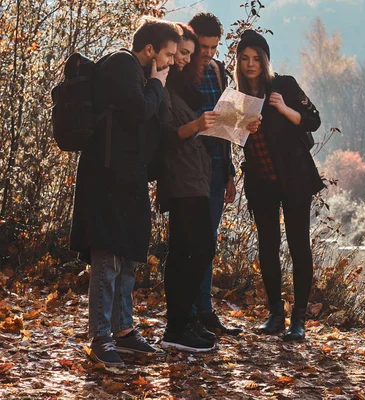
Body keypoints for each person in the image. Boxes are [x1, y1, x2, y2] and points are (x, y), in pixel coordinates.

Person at [69, 17, 181, 367]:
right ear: (149, 50)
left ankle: (123, 331)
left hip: (128, 178)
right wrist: (158, 84)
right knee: (108, 256)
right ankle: (101, 336)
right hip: (106, 179)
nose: (170, 63)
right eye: (167, 55)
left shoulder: (137, 73)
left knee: (130, 253)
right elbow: (139, 111)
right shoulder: (122, 64)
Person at [234, 30, 325, 341]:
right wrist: (242, 128)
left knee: (299, 246)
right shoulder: (237, 96)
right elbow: (232, 137)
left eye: (256, 58)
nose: (250, 64)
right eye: (244, 59)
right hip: (261, 182)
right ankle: (275, 314)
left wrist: (285, 109)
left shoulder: (284, 84)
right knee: (268, 247)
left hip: (295, 178)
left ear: (265, 59)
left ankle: (298, 320)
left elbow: (314, 119)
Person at [155, 23, 222, 352]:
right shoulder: (163, 82)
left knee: (190, 249)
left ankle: (182, 323)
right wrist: (197, 124)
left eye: (188, 55)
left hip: (197, 175)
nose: (184, 59)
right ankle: (177, 326)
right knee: (191, 249)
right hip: (180, 177)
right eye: (180, 53)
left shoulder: (184, 83)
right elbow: (167, 135)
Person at [180, 12, 243, 336]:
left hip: (217, 169)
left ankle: (205, 311)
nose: (208, 53)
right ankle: (186, 313)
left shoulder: (219, 71)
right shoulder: (180, 70)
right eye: (204, 46)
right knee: (190, 244)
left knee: (209, 242)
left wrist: (230, 172)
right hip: (188, 170)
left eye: (214, 47)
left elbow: (225, 127)